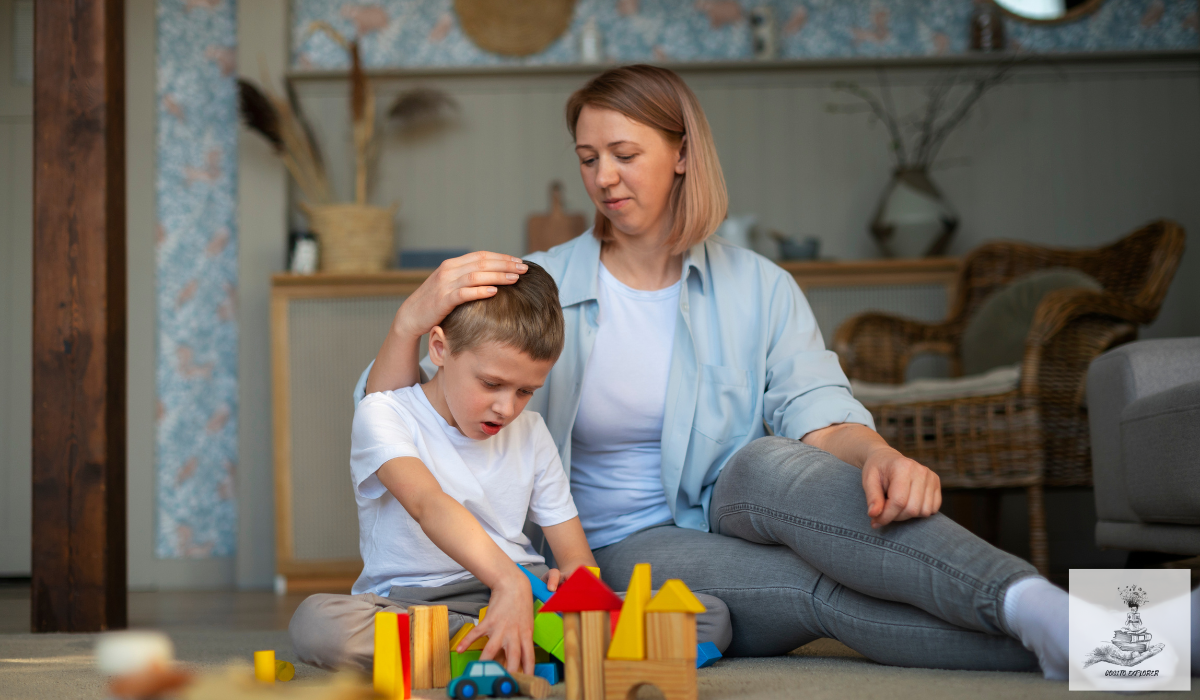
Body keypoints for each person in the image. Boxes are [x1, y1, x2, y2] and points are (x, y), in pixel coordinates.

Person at [289, 262, 731, 674]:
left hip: (527, 589)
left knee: (709, 617)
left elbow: (575, 554)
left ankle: (504, 645)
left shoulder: (532, 433)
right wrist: (506, 583)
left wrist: (574, 587)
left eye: (525, 391)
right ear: (440, 349)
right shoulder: (383, 413)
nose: (506, 408)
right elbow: (427, 504)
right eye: (491, 384)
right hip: (417, 602)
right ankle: (519, 646)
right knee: (318, 623)